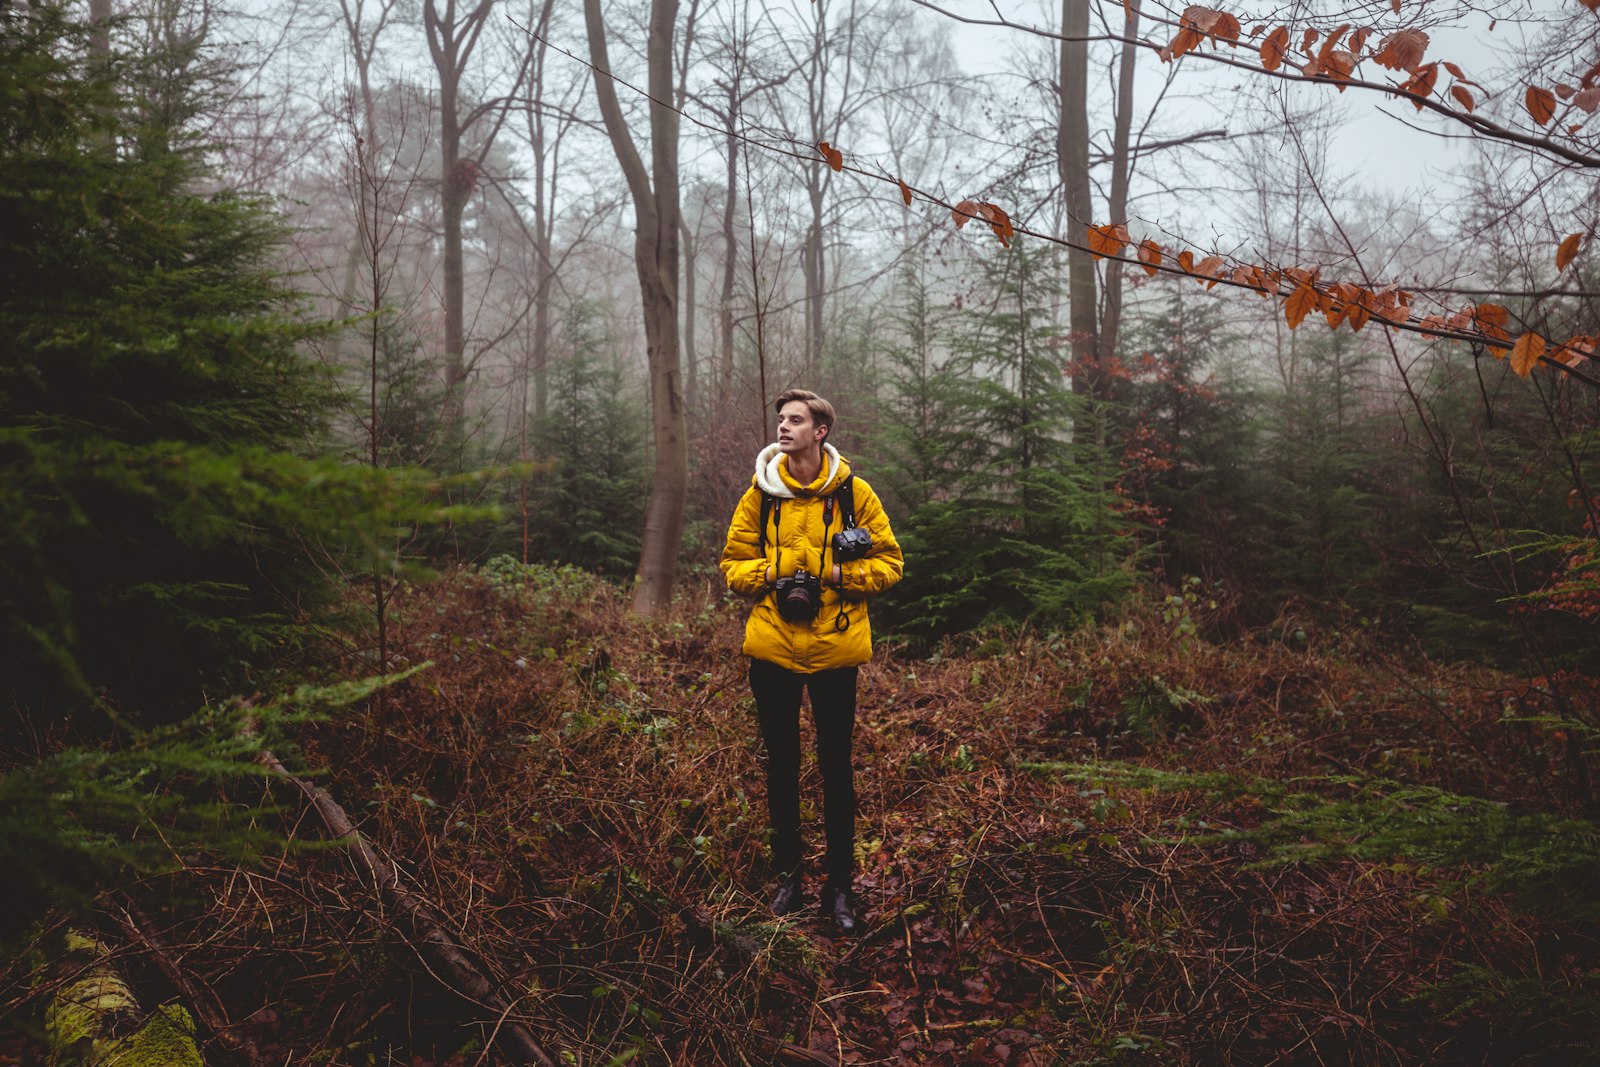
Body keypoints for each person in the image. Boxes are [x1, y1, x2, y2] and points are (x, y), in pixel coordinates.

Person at [719, 389, 903, 935]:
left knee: (835, 769)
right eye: (781, 419)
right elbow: (732, 565)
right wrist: (774, 574)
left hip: (835, 651)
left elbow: (891, 563)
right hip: (772, 648)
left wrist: (835, 577)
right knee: (780, 766)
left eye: (795, 420)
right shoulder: (762, 493)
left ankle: (840, 889)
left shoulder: (853, 493)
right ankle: (788, 881)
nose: (783, 427)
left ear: (820, 431)